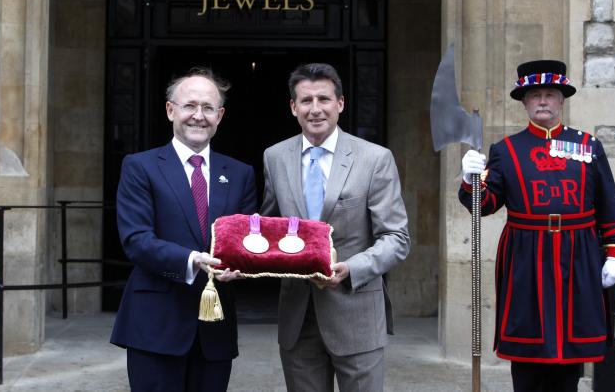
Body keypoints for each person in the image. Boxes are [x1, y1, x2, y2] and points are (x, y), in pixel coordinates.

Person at [459, 60, 615, 392]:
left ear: (562, 100)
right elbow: (486, 205)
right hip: (526, 257)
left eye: (550, 94)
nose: (542, 101)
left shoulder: (588, 146)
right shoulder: (505, 151)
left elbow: (607, 203)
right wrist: (470, 181)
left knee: (571, 352)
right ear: (524, 102)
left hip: (578, 255)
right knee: (527, 352)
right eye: (535, 95)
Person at [261, 63, 411, 392]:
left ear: (340, 104)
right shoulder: (274, 157)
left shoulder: (374, 158)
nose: (315, 109)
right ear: (293, 107)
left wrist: (351, 269)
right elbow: (269, 228)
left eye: (324, 99)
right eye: (306, 100)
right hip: (297, 318)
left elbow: (396, 238)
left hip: (355, 308)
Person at [110, 67, 257, 392]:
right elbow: (136, 240)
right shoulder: (140, 166)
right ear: (170, 110)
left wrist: (243, 268)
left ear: (219, 115)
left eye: (207, 108)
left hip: (214, 330)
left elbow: (248, 240)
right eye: (190, 105)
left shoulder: (240, 173)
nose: (198, 116)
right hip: (155, 325)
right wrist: (193, 259)